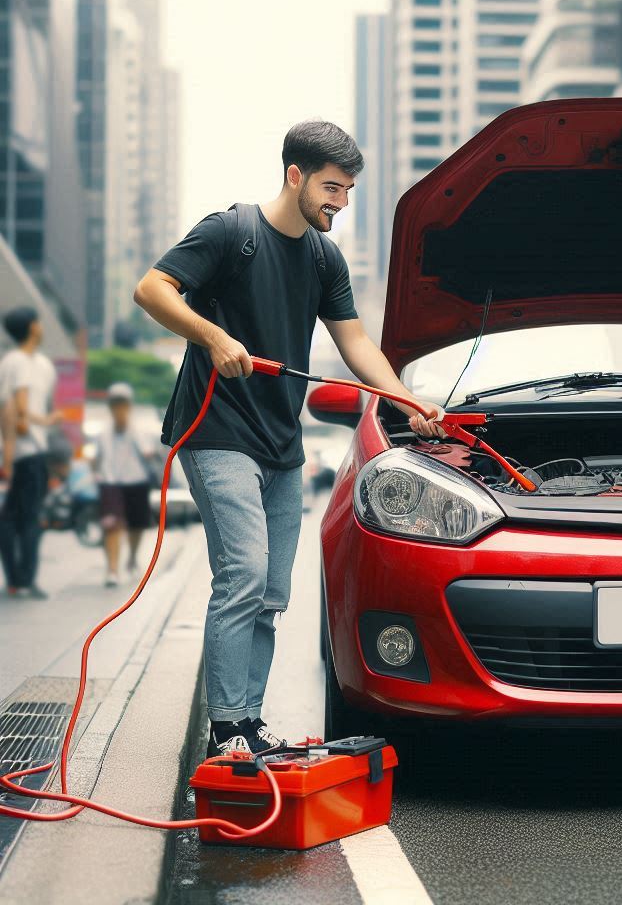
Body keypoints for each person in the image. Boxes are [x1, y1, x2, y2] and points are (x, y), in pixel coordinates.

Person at [133, 119, 447, 758]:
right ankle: (226, 729)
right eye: (333, 187)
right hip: (216, 432)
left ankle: (249, 724)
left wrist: (406, 398)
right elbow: (151, 289)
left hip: (281, 443)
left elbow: (354, 340)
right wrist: (213, 337)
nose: (342, 202)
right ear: (295, 175)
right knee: (244, 575)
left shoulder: (325, 258)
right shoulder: (231, 233)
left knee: (273, 594)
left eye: (350, 190)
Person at [0, 306, 59, 599]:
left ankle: (19, 578)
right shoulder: (19, 361)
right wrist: (47, 421)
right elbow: (17, 409)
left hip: (31, 449)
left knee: (17, 517)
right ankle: (22, 579)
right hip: (27, 452)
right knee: (24, 517)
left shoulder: (41, 365)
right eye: (38, 321)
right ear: (32, 327)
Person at [93, 382, 155, 588]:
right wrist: (95, 474)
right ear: (110, 407)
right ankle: (112, 569)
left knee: (136, 526)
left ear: (129, 406)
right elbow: (96, 458)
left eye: (123, 405)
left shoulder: (138, 430)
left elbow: (148, 453)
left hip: (136, 482)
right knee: (112, 526)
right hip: (110, 484)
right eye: (115, 405)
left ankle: (132, 559)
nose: (119, 409)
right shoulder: (102, 433)